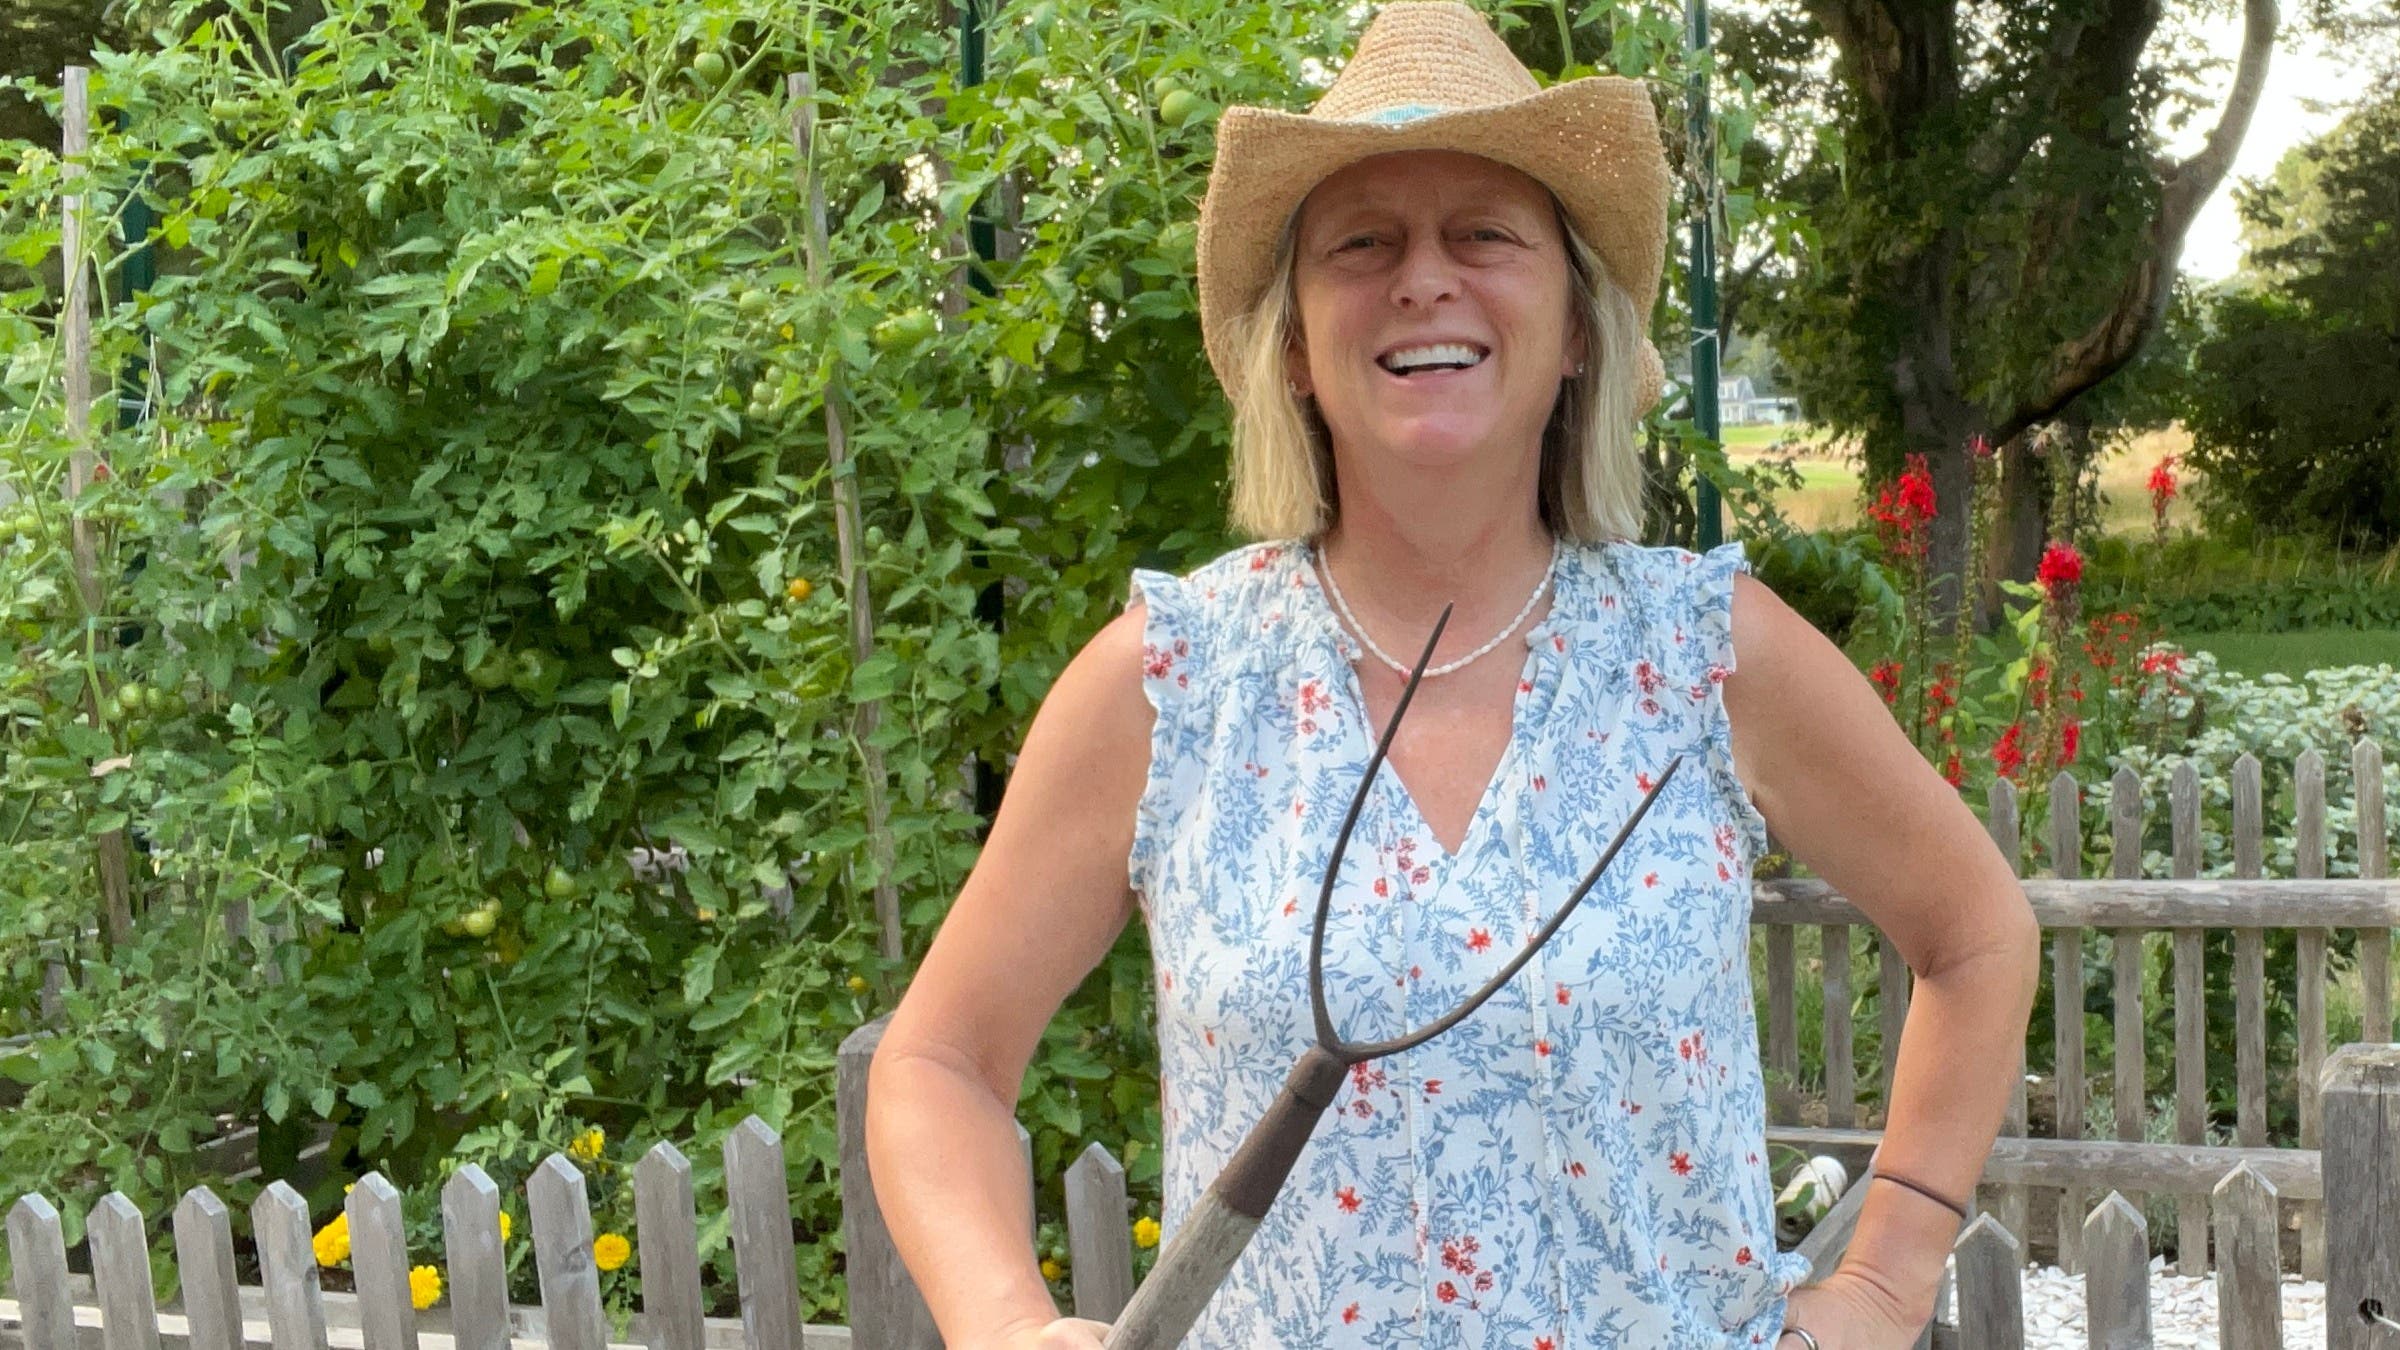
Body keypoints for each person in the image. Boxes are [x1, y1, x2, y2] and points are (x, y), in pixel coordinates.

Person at [865, 4, 2040, 1347]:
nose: (1425, 279)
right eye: (1362, 243)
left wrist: (1886, 1281)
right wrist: (1008, 1327)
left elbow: (1977, 930)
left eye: (1485, 233)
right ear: (1296, 347)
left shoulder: (1708, 656)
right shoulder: (1172, 685)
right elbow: (938, 1064)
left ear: (1580, 328)